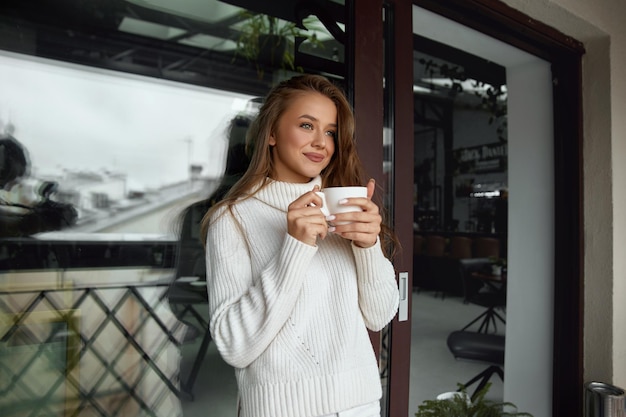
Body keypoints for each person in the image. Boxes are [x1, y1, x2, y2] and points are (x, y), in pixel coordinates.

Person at [200, 74, 399, 417]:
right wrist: (294, 246)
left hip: (360, 406)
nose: (321, 142)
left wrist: (369, 247)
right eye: (307, 125)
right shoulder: (232, 219)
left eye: (331, 132)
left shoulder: (344, 209)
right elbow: (234, 345)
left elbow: (379, 315)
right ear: (273, 134)